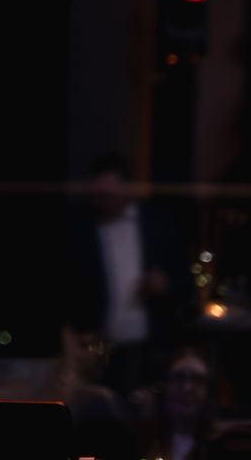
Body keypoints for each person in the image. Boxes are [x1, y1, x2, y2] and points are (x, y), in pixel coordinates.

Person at [67, 153, 187, 397]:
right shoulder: (79, 227)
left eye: (108, 195)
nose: (102, 201)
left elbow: (185, 281)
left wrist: (165, 285)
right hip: (98, 351)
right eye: (97, 195)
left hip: (152, 349)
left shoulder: (158, 223)